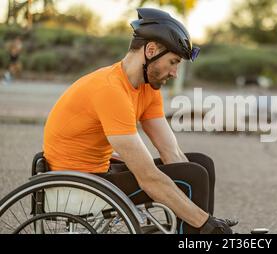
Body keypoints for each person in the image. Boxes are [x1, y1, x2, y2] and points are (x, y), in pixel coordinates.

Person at [42, 8, 236, 234]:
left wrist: (205, 219)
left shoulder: (147, 89)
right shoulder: (111, 90)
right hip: (77, 186)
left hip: (100, 173)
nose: (174, 73)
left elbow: (172, 154)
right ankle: (201, 235)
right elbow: (147, 177)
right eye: (173, 62)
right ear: (151, 50)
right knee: (191, 178)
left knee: (200, 165)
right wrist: (204, 221)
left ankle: (201, 234)